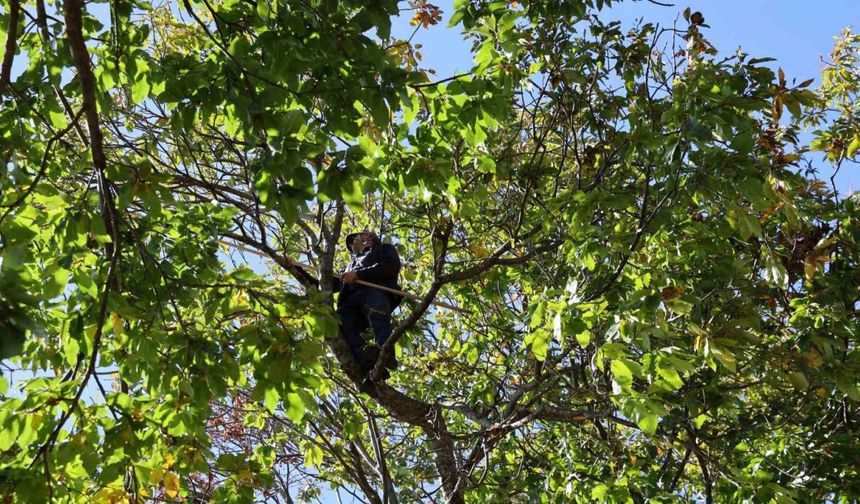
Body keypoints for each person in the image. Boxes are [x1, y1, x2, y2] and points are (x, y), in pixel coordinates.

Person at [298, 230, 402, 382]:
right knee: (339, 325)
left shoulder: (383, 249)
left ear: (369, 238)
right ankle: (368, 363)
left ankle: (386, 355)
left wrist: (359, 275)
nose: (353, 243)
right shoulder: (348, 267)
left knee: (377, 314)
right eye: (352, 243)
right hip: (351, 304)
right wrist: (296, 269)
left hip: (375, 291)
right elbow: (324, 284)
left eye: (356, 238)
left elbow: (390, 266)